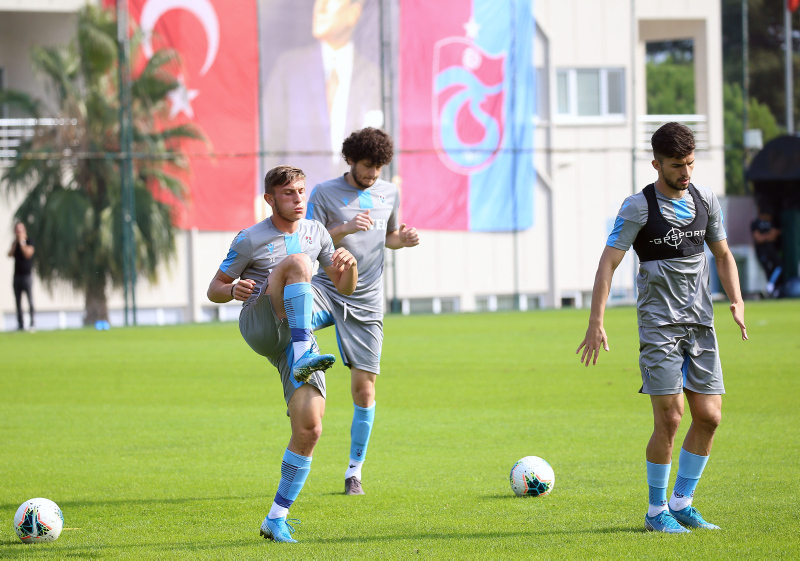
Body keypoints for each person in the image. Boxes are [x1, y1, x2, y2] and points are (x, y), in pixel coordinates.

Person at [576, 122, 748, 534]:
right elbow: (608, 264)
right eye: (676, 165)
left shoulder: (706, 200)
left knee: (709, 416)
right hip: (660, 328)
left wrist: (737, 299)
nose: (685, 172)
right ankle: (656, 512)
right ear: (657, 164)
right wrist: (596, 322)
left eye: (689, 163)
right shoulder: (639, 207)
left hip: (700, 325)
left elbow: (723, 255)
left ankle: (682, 503)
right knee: (670, 418)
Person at [207, 165, 358, 543]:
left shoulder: (317, 232)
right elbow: (214, 287)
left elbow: (344, 288)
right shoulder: (250, 238)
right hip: (260, 324)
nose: (298, 199)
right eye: (289, 193)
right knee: (298, 263)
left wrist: (350, 268)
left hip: (292, 338)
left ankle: (276, 518)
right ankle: (305, 350)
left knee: (310, 428)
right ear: (270, 199)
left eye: (302, 191)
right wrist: (233, 290)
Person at [306, 127, 419, 496]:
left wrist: (402, 241)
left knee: (364, 391)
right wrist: (345, 227)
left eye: (378, 167)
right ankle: (301, 373)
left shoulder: (389, 192)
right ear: (351, 159)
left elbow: (389, 236)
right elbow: (308, 242)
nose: (373, 173)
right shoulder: (324, 193)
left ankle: (354, 472)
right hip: (328, 287)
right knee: (292, 318)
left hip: (367, 300)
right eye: (367, 165)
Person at [261, 0, 383, 192]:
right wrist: (263, 192)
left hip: (354, 199)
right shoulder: (289, 69)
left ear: (353, 13)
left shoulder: (372, 77)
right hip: (298, 200)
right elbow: (269, 138)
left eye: (329, 0)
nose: (320, 7)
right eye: (318, 1)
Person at [7, 222, 35, 331]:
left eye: (20, 230)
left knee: (30, 301)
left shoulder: (29, 241)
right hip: (17, 276)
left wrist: (22, 242)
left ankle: (32, 323)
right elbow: (9, 254)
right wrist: (16, 243)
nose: (18, 232)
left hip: (27, 276)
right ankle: (20, 325)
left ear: (24, 230)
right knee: (18, 302)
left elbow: (27, 253)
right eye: (17, 230)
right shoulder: (15, 244)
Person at [750, 211, 782, 297]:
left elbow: (774, 235)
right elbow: (759, 238)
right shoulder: (756, 223)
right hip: (762, 252)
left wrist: (767, 236)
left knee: (778, 266)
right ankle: (768, 288)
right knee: (767, 269)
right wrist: (768, 235)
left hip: (771, 251)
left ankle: (771, 287)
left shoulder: (771, 223)